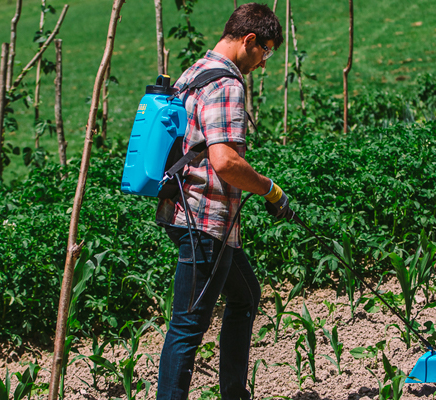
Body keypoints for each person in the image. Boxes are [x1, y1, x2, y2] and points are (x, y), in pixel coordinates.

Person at [154, 3, 293, 399]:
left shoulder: (193, 73)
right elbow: (225, 161)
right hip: (203, 217)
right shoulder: (226, 83)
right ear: (249, 40)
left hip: (185, 210)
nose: (263, 63)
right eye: (265, 52)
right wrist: (270, 189)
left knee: (246, 295)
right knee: (186, 328)